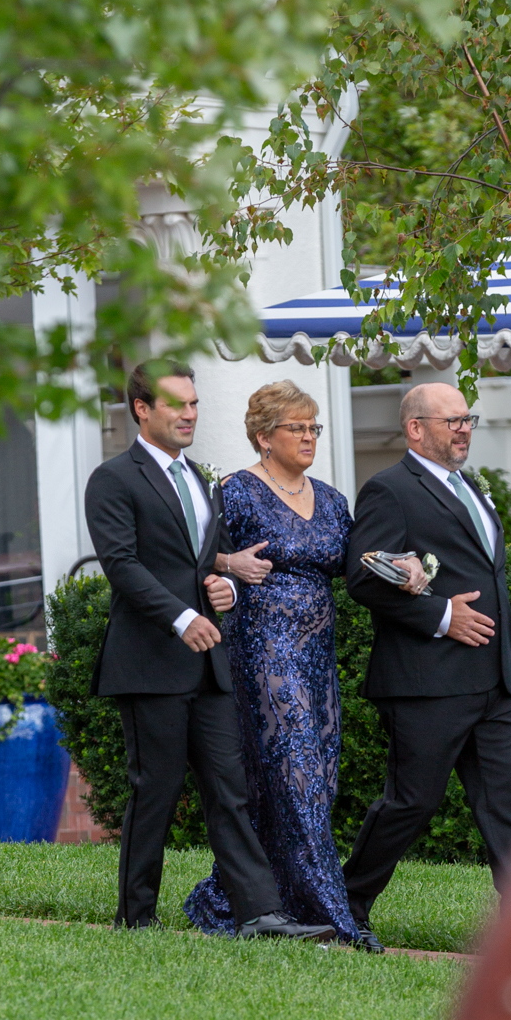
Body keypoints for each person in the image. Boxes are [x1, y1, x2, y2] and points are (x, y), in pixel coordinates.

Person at [84, 364, 330, 939]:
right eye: (177, 404)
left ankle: (258, 914)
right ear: (141, 409)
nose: (190, 413)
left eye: (194, 403)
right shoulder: (114, 478)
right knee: (157, 792)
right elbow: (122, 564)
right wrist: (182, 614)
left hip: (206, 664)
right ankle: (136, 918)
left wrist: (222, 583)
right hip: (149, 664)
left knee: (230, 789)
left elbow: (204, 561)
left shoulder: (198, 477)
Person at [186, 381, 420, 948]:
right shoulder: (237, 492)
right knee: (297, 773)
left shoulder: (334, 500)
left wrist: (407, 563)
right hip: (263, 651)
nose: (310, 436)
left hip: (317, 658)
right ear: (265, 437)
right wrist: (228, 561)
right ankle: (332, 918)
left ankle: (236, 898)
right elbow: (188, 551)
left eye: (314, 427)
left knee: (314, 779)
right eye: (298, 427)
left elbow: (363, 563)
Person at [341, 382, 511, 943]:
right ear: (415, 428)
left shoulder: (471, 487)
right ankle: (347, 906)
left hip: (493, 683)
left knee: (509, 806)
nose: (464, 428)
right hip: (428, 682)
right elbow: (362, 578)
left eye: (467, 418)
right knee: (410, 803)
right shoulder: (389, 489)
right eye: (450, 420)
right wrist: (440, 615)